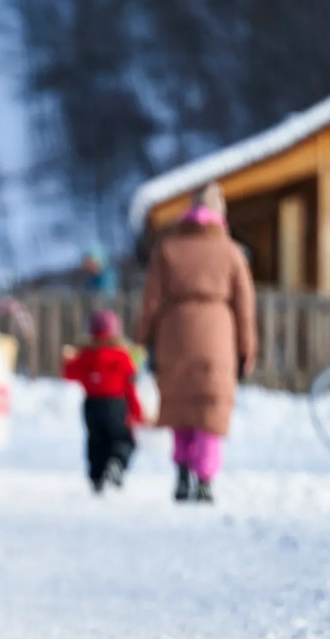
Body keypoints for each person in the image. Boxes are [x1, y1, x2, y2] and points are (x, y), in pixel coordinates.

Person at [135, 183, 256, 504]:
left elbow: (151, 301)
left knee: (179, 405)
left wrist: (142, 338)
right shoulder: (232, 252)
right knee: (210, 405)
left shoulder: (168, 248)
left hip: (174, 335)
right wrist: (247, 348)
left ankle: (182, 472)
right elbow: (244, 305)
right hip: (217, 335)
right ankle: (204, 478)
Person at [62, 309, 143, 493]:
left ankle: (96, 477)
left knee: (95, 441)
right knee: (123, 438)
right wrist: (136, 409)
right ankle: (117, 462)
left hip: (91, 405)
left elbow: (69, 374)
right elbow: (130, 385)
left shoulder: (84, 354)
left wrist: (68, 360)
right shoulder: (122, 356)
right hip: (116, 404)